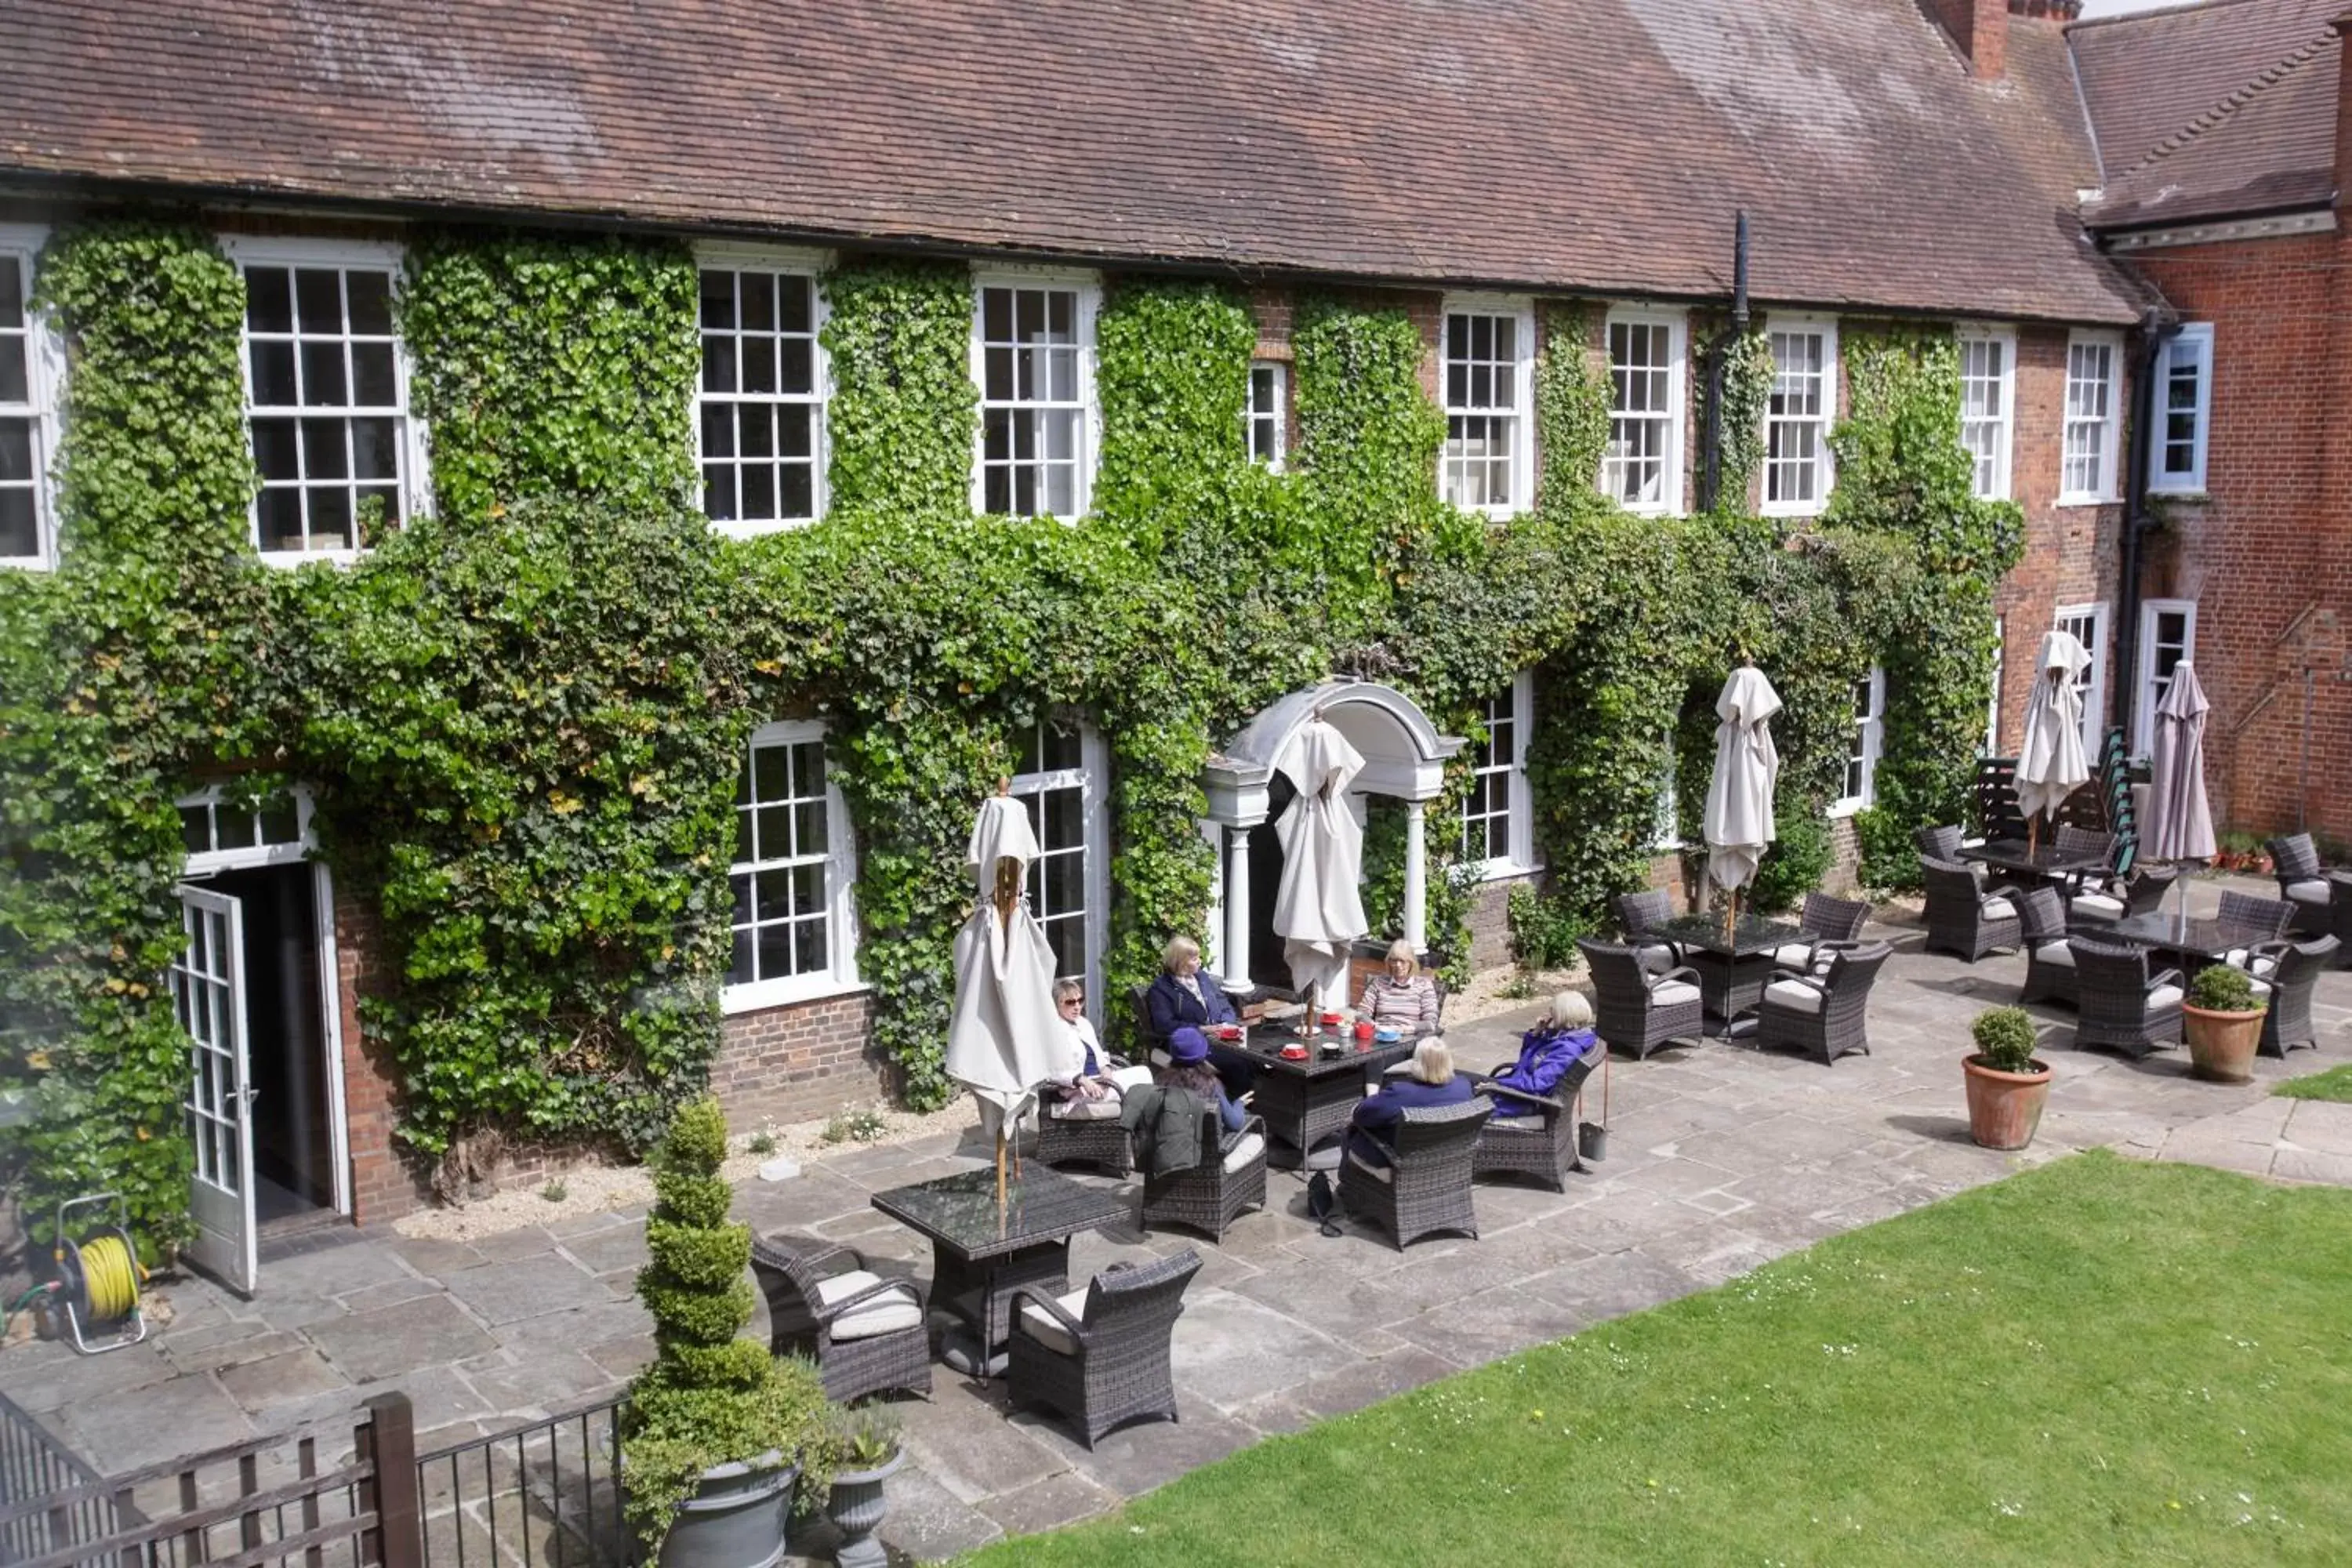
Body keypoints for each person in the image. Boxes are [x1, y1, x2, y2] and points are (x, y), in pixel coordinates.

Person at [1346, 1036, 1472, 1168]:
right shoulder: (1463, 1086)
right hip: (1448, 1158)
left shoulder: (1401, 1093)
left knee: (1351, 1130)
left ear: (1417, 1063)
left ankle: (1347, 1185)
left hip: (1398, 1161)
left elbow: (1361, 1116)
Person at [1487, 992, 1601, 1116]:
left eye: (1554, 1010)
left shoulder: (1567, 1050)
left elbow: (1536, 1084)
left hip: (1521, 1102)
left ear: (1564, 1015)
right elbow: (1525, 1062)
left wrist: (1498, 1083)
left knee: (1464, 1097)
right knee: (1465, 1084)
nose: (1550, 1014)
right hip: (1515, 1091)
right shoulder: (1565, 1037)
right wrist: (1536, 1033)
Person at [1145, 935, 1240, 1040]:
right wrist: (1202, 1029)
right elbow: (1165, 1025)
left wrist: (1226, 1023)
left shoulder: (1202, 977)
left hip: (1218, 1037)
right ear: (1180, 962)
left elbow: (1225, 1005)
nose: (1199, 961)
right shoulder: (1162, 987)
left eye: (1199, 957)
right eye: (1194, 959)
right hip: (1190, 1041)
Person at [1156, 1025, 1247, 1133]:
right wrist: (1240, 1103)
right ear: (1203, 1052)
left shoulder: (1161, 1080)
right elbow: (1235, 1123)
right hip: (1203, 1143)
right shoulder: (1210, 1084)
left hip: (1173, 1140)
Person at [1357, 938, 1440, 1036]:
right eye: (1394, 960)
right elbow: (1362, 1012)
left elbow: (1430, 1022)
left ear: (1411, 963)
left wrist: (1406, 1030)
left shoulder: (1424, 985)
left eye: (1402, 961)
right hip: (1381, 1035)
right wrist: (1375, 1026)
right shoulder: (1379, 982)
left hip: (1410, 1038)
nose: (1398, 965)